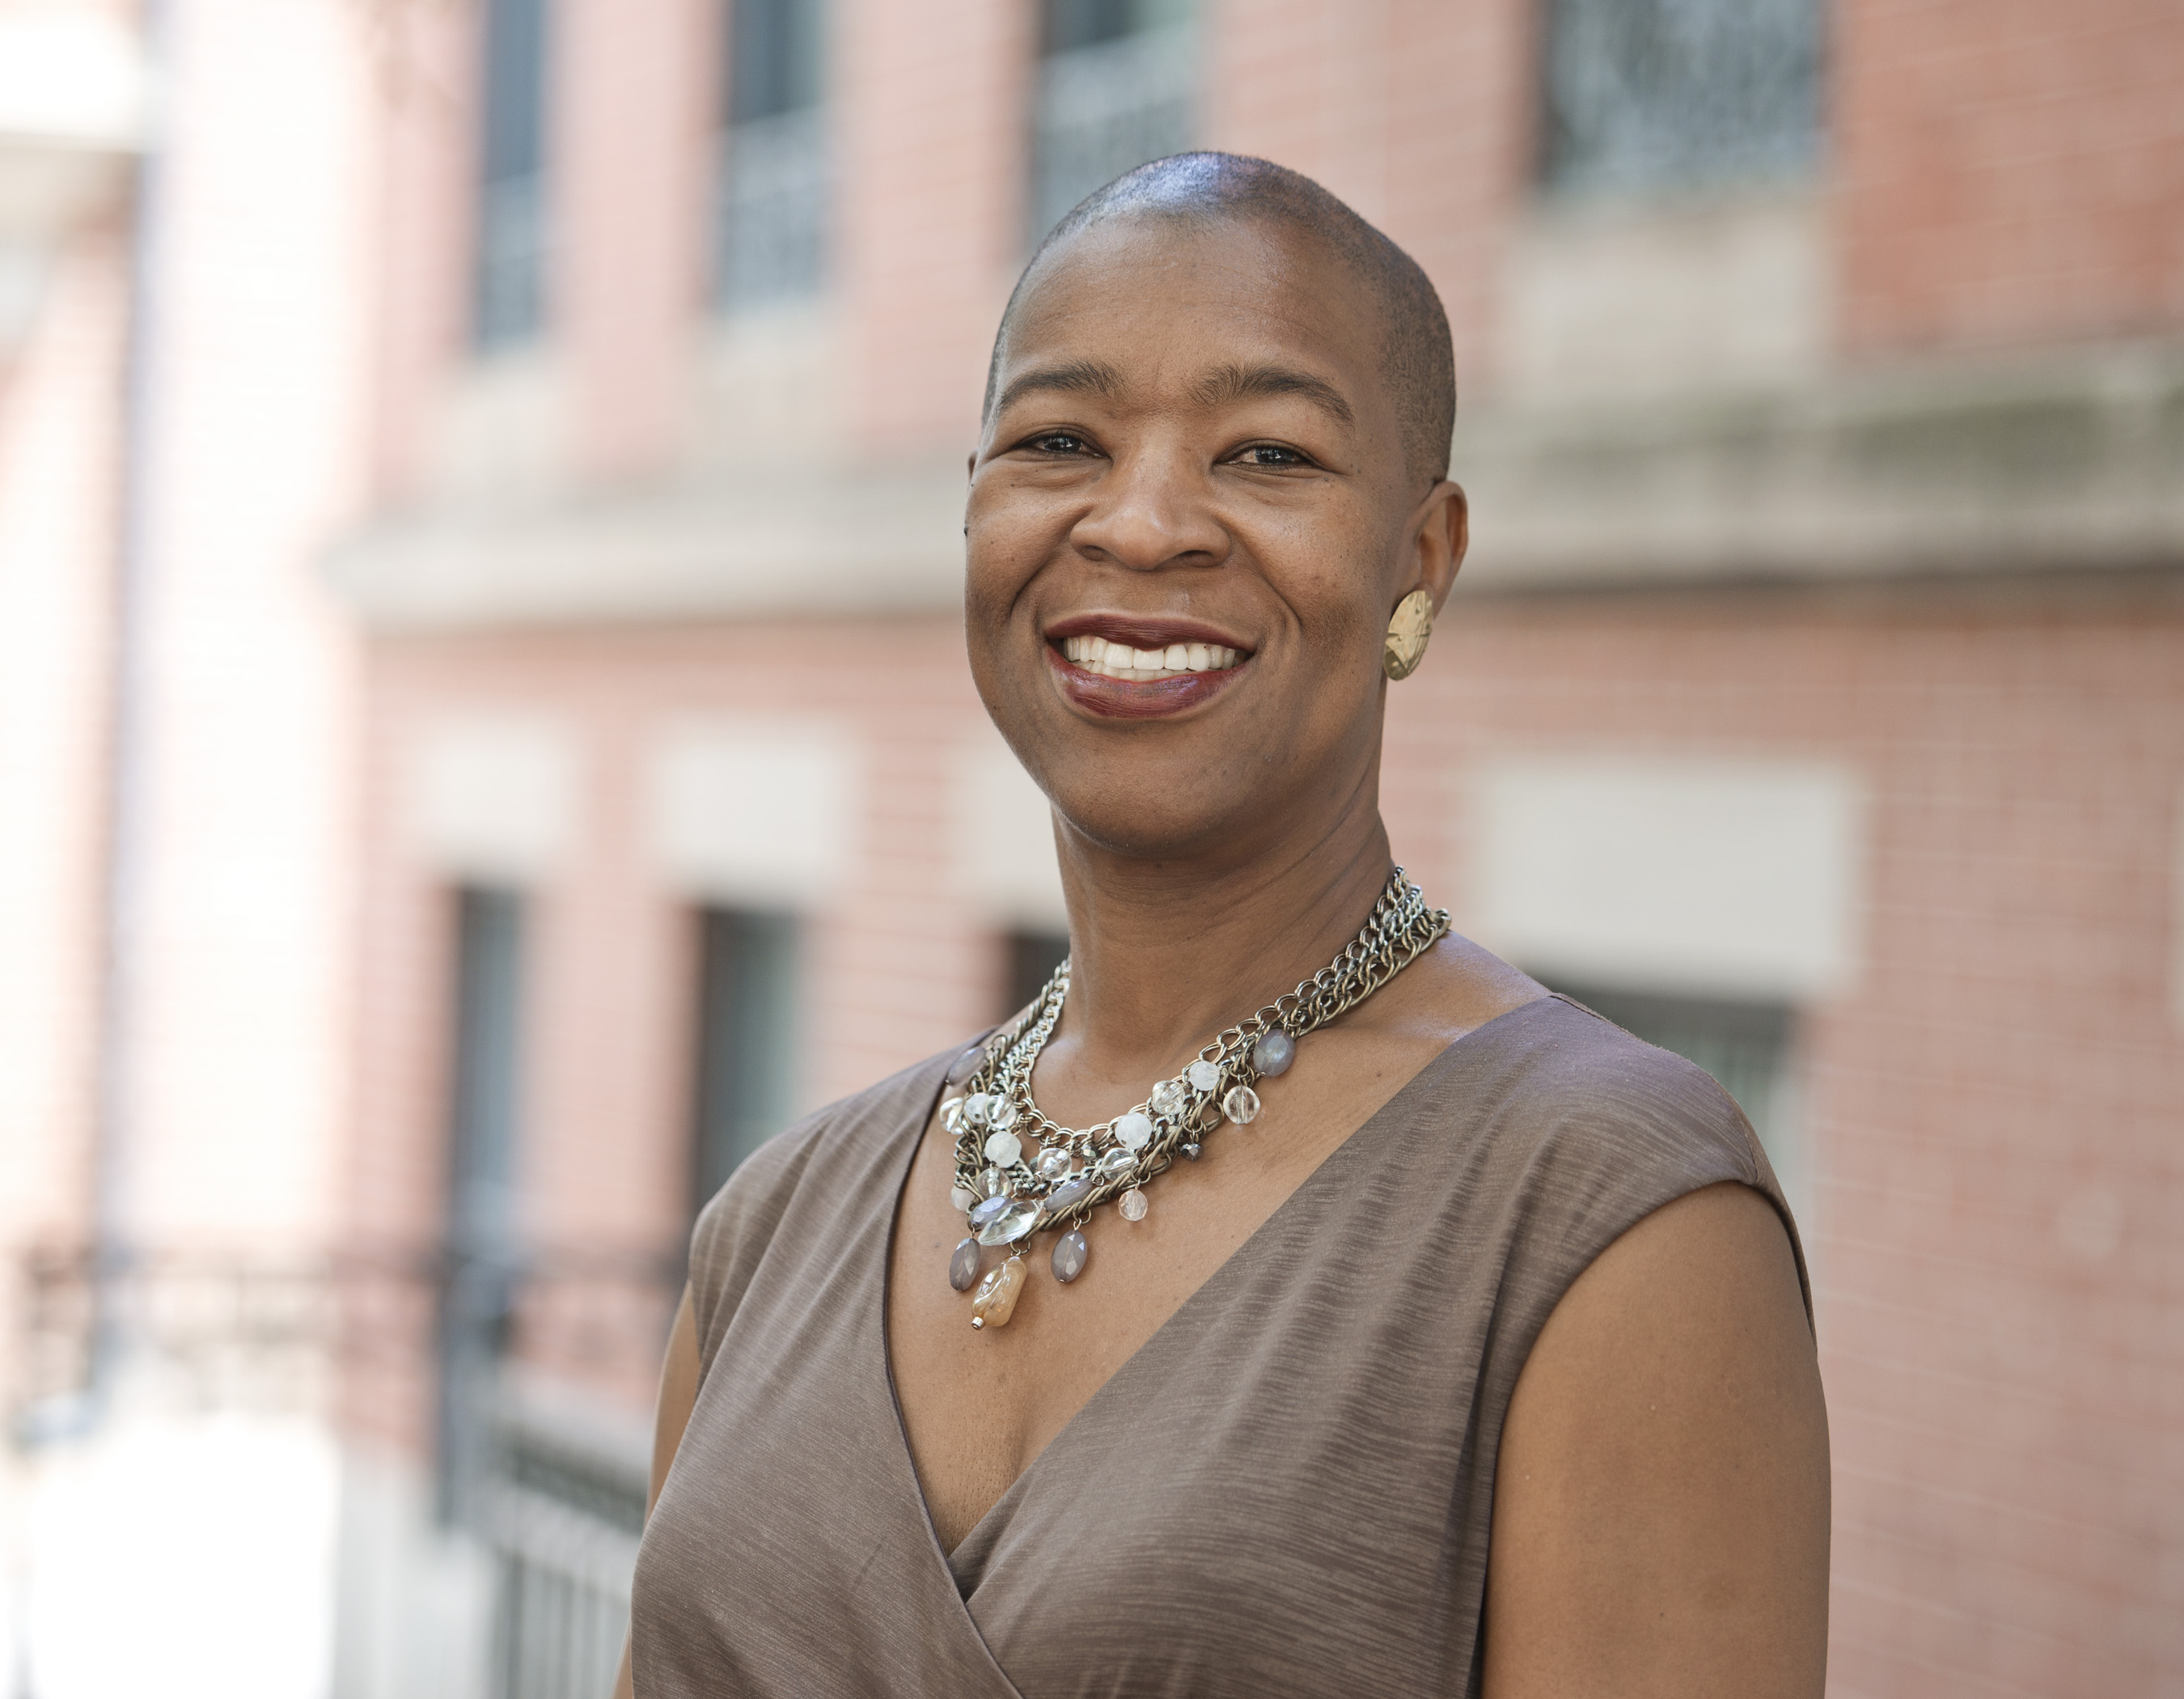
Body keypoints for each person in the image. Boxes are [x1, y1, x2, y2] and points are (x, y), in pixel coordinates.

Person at [616, 152, 1828, 1698]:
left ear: (1422, 559)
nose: (1141, 524)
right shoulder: (778, 1224)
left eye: (1266, 455)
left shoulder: (1613, 1216)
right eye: (1059, 438)